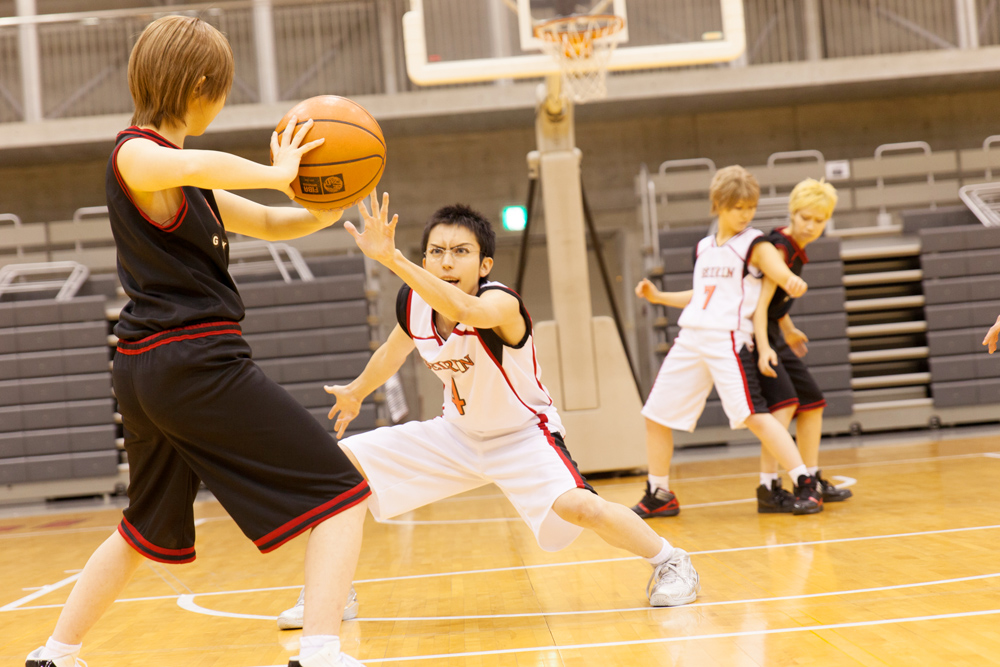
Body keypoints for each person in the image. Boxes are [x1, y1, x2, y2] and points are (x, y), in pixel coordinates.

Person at [25, 16, 369, 667]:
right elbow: (201, 164)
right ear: (203, 84)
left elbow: (274, 219)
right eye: (225, 85)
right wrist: (276, 170)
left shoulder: (192, 184)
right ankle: (321, 649)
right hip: (193, 360)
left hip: (149, 369)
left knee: (144, 525)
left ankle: (56, 652)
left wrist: (333, 196)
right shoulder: (137, 153)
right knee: (343, 488)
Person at [276, 197, 700, 629]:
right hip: (455, 436)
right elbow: (393, 350)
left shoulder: (501, 304)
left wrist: (392, 258)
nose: (447, 261)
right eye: (437, 252)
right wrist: (356, 391)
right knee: (341, 465)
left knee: (582, 509)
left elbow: (465, 311)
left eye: (461, 251)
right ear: (426, 259)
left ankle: (671, 561)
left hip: (522, 436)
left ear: (484, 265)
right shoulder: (413, 303)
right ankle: (330, 592)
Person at [630, 165, 824, 519]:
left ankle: (804, 482)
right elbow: (702, 295)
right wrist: (659, 297)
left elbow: (779, 271)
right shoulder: (704, 247)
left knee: (755, 415)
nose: (745, 214)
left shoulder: (755, 243)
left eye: (750, 207)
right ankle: (659, 492)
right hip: (691, 338)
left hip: (728, 340)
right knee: (655, 415)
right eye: (738, 208)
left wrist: (791, 280)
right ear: (718, 204)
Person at [752, 179, 853, 513]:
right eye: (805, 217)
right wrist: (766, 346)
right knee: (781, 408)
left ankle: (811, 473)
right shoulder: (779, 248)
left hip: (775, 334)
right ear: (792, 214)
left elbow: (776, 306)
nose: (811, 225)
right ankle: (770, 486)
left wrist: (790, 329)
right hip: (755, 335)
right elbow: (760, 304)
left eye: (819, 220)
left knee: (812, 402)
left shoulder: (796, 248)